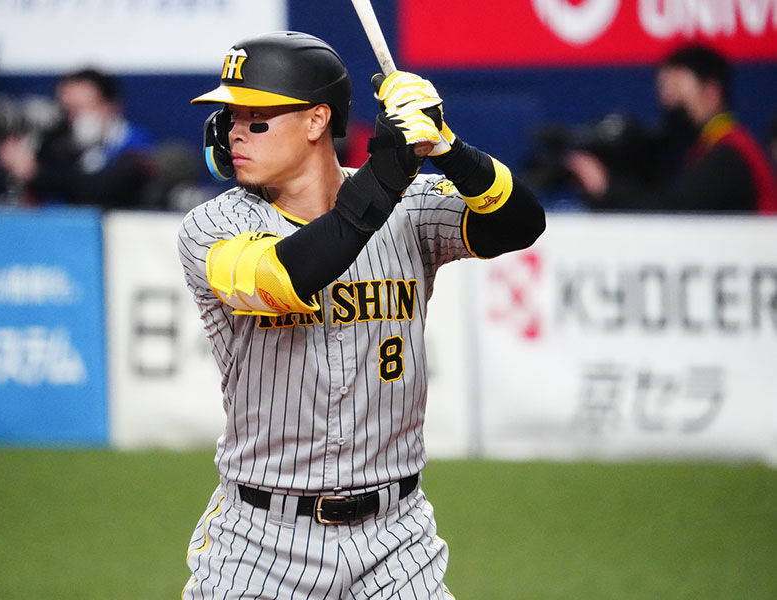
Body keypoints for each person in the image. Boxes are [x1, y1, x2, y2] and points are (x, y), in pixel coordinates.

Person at [176, 31, 545, 599]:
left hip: (396, 540)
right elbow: (288, 274)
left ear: (316, 120)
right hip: (260, 540)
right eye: (231, 117)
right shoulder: (213, 226)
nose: (234, 132)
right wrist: (388, 173)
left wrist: (447, 146)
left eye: (257, 117)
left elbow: (521, 223)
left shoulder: (409, 208)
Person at [567, 43, 777, 214]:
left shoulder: (729, 152)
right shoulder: (706, 148)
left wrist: (606, 187)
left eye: (677, 89)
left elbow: (679, 213)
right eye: (664, 91)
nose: (668, 102)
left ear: (711, 92)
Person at [0, 68, 155, 209]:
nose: (73, 119)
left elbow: (100, 188)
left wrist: (35, 173)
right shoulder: (56, 144)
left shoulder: (136, 145)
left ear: (111, 106)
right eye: (67, 110)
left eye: (81, 108)